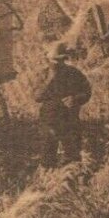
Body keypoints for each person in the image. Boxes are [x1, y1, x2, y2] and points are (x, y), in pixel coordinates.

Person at [33, 41, 92, 169]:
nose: (56, 64)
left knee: (73, 157)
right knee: (47, 158)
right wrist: (50, 79)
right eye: (54, 61)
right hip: (49, 121)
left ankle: (72, 179)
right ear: (48, 60)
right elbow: (37, 97)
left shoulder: (74, 73)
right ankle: (49, 180)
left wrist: (75, 99)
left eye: (60, 60)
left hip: (69, 120)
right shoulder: (43, 74)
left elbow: (87, 92)